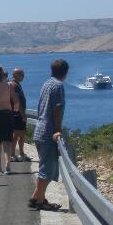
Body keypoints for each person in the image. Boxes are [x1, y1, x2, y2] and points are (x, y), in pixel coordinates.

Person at [30, 58, 69, 211]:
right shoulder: (58, 86)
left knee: (45, 166)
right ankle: (40, 201)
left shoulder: (47, 83)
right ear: (65, 72)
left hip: (39, 129)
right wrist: (57, 129)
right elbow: (57, 108)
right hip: (48, 132)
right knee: (47, 169)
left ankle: (36, 197)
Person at [10, 67, 29, 161]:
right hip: (17, 114)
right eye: (22, 74)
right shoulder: (15, 86)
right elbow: (18, 101)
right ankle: (14, 154)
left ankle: (20, 153)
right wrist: (23, 114)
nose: (23, 76)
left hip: (16, 113)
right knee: (18, 134)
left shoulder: (16, 85)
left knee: (20, 134)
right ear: (16, 75)